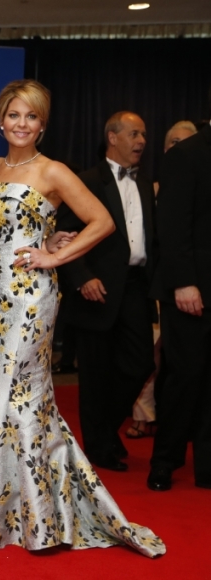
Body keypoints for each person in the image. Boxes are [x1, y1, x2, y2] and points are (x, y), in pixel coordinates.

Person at [0, 79, 165, 557]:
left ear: (42, 125)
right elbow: (11, 230)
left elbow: (104, 221)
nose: (21, 124)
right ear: (0, 119)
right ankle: (11, 512)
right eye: (14, 115)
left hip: (28, 300)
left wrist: (53, 260)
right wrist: (47, 240)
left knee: (14, 399)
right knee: (2, 399)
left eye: (31, 117)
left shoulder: (54, 171)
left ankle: (38, 522)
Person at [56, 111, 157, 472]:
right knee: (95, 375)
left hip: (134, 288)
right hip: (94, 291)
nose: (142, 140)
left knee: (140, 363)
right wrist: (81, 277)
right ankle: (98, 447)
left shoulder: (145, 183)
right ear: (112, 137)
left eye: (143, 134)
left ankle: (103, 432)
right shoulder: (85, 181)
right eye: (134, 133)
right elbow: (63, 237)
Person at [147, 113, 211, 492]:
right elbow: (171, 226)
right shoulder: (187, 154)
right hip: (191, 291)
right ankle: (165, 461)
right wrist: (184, 283)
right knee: (183, 379)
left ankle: (207, 466)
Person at [128, 119, 197, 439]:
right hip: (154, 286)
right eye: (173, 141)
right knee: (151, 357)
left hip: (182, 284)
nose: (178, 147)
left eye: (186, 141)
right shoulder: (149, 187)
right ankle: (143, 414)